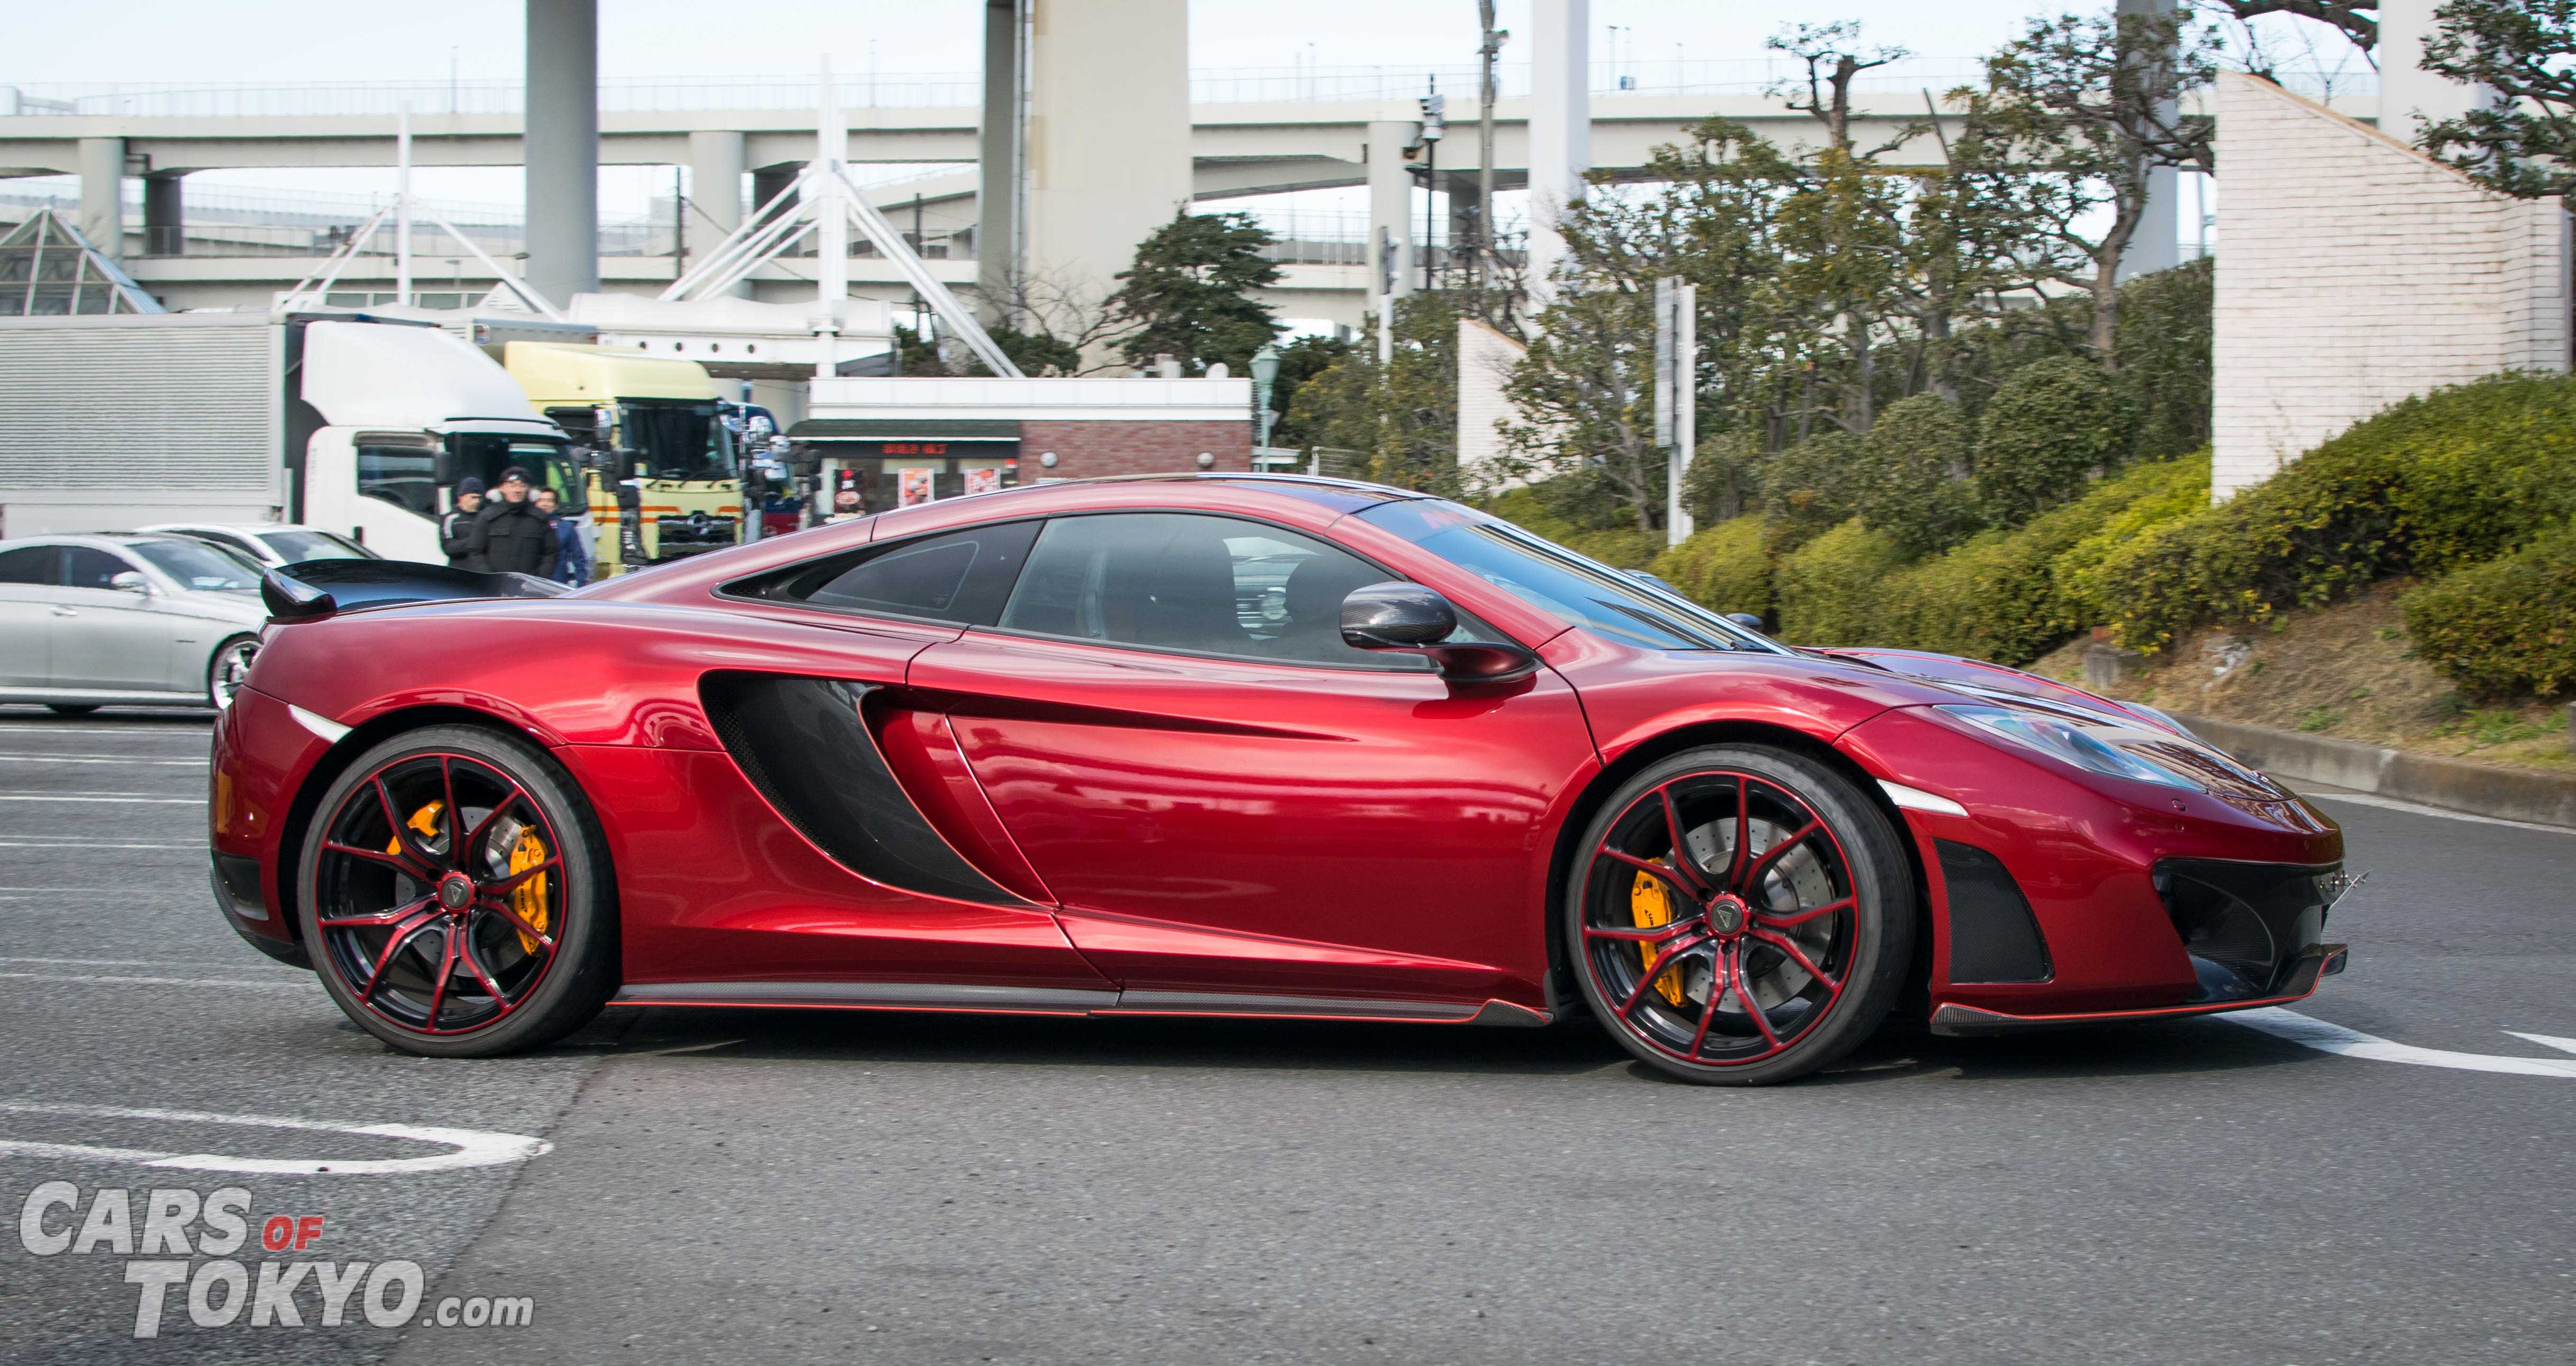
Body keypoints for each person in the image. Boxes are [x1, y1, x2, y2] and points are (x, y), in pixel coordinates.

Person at [472, 466, 560, 580]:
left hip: (532, 588)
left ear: (528, 489)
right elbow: (476, 552)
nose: (517, 490)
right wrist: (490, 579)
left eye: (522, 486)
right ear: (502, 488)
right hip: (496, 587)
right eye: (512, 486)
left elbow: (551, 553)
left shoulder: (540, 518)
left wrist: (540, 580)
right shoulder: (488, 517)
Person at [533, 487, 591, 586]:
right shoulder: (527, 526)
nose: (545, 504)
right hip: (531, 582)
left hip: (557, 584)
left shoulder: (566, 528)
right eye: (541, 500)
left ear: (556, 505)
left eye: (550, 501)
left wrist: (582, 583)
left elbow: (578, 558)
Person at [441, 477, 486, 569]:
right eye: (473, 497)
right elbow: (449, 547)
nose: (477, 501)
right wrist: (477, 541)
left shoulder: (486, 516)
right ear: (461, 497)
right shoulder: (449, 518)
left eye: (479, 498)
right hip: (459, 572)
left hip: (482, 571)